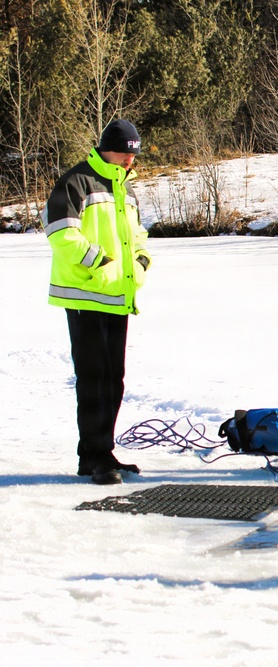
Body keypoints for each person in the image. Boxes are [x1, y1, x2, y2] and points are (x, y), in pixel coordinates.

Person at [43, 119, 150, 485]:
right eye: (125, 153)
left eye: (133, 156)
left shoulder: (126, 189)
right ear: (108, 147)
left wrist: (141, 262)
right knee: (93, 380)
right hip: (85, 296)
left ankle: (98, 454)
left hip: (118, 297)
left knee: (112, 380)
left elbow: (137, 237)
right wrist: (99, 263)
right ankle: (96, 455)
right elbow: (60, 233)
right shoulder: (76, 180)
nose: (129, 162)